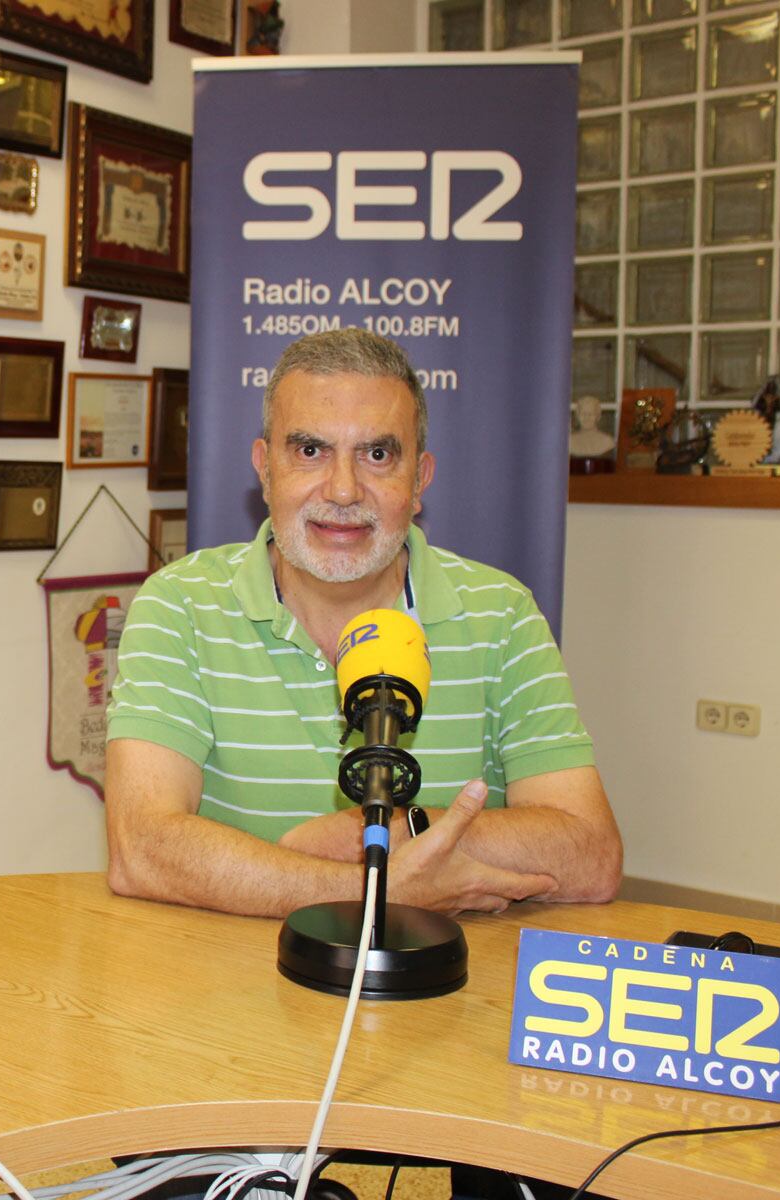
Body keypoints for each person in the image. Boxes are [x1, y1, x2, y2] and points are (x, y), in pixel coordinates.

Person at [105, 329, 621, 919]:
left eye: (377, 455)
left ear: (420, 479)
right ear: (265, 470)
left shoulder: (501, 614)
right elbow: (141, 849)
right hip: (227, 972)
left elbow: (590, 854)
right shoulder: (179, 605)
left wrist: (393, 833)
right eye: (310, 451)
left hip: (441, 975)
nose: (344, 490)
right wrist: (377, 891)